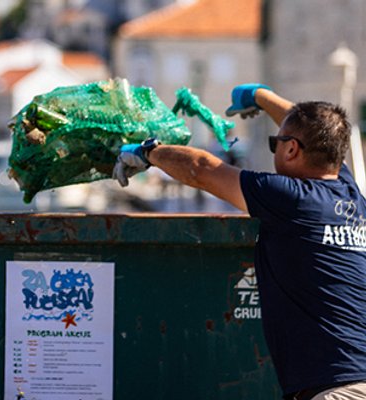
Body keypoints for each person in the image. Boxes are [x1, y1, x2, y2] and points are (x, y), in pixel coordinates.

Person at [113, 84, 366, 399]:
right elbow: (314, 129)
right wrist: (260, 96)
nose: (275, 148)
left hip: (338, 390)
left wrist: (148, 152)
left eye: (275, 143)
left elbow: (201, 169)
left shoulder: (290, 198)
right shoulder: (351, 195)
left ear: (291, 150)